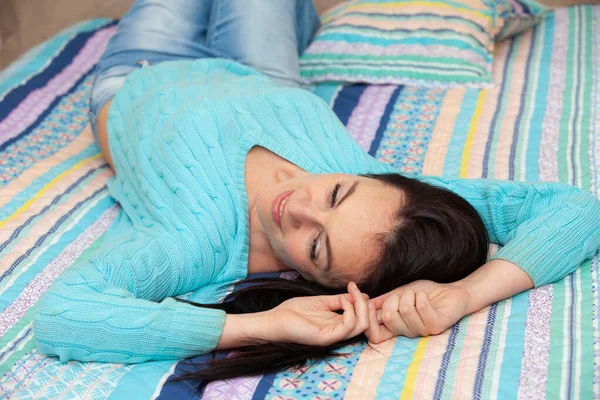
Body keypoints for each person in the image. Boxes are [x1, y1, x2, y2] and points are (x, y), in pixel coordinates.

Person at [33, 0, 600, 384]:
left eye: (316, 248)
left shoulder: (194, 242)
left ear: (319, 283)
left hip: (140, 73)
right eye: (335, 195)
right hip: (266, 75)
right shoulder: (382, 186)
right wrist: (467, 292)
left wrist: (260, 326)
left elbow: (65, 315)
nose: (296, 206)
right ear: (379, 181)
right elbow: (577, 208)